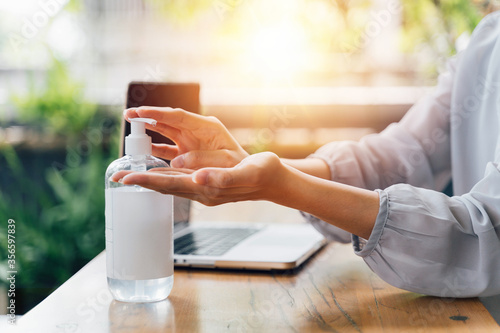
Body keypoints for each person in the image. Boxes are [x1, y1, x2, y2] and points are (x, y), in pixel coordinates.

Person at [112, 11, 500, 298]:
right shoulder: (487, 40)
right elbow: (400, 158)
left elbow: (487, 238)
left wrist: (284, 185)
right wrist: (256, 167)